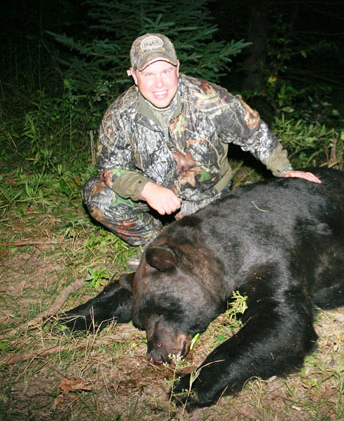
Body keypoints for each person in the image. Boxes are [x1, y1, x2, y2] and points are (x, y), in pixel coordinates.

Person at [83, 33, 321, 269]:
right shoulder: (120, 114)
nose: (159, 84)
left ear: (177, 68)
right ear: (133, 75)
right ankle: (151, 242)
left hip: (207, 199)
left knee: (227, 258)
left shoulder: (207, 98)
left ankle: (192, 232)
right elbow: (110, 167)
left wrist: (286, 170)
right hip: (153, 200)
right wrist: (146, 189)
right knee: (98, 196)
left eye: (165, 71)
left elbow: (253, 130)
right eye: (148, 74)